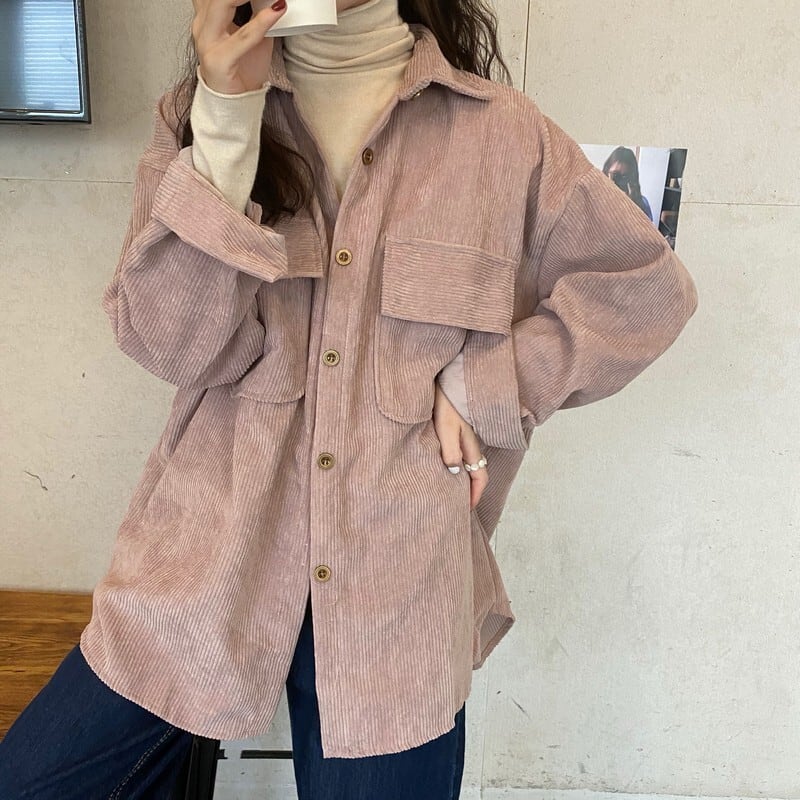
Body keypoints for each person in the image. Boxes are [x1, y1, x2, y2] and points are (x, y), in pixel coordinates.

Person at [0, 0, 698, 797]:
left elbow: (646, 290)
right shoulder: (197, 113)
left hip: (396, 602)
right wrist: (226, 121)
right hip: (204, 568)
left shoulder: (502, 135)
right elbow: (171, 344)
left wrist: (486, 385)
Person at [603, 145, 654, 221]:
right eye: (615, 175)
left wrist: (631, 206)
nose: (619, 181)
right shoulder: (595, 200)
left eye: (625, 177)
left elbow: (647, 228)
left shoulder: (643, 203)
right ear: (606, 173)